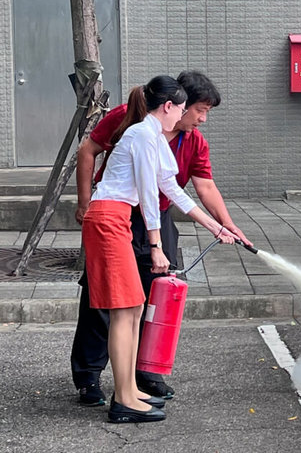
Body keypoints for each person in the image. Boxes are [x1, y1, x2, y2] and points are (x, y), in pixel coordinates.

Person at [71, 71, 252, 407]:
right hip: (113, 218)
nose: (200, 118)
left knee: (138, 305)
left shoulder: (161, 136)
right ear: (172, 106)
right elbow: (148, 195)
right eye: (196, 110)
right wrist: (155, 246)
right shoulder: (140, 131)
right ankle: (113, 392)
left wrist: (219, 226)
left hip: (125, 217)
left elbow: (173, 190)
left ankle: (136, 382)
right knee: (118, 306)